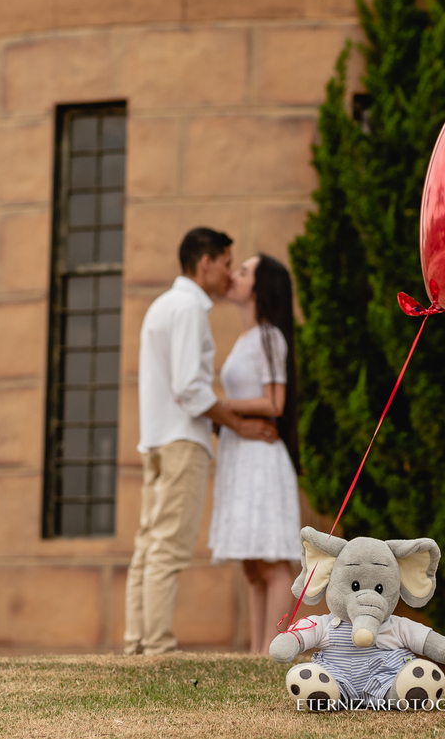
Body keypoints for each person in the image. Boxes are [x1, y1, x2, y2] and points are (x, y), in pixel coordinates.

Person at [124, 228, 278, 656]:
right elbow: (191, 388)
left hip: (157, 440)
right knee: (168, 547)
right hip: (181, 442)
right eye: (227, 263)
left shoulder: (163, 305)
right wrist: (238, 425)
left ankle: (137, 642)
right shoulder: (190, 308)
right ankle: (158, 645)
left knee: (149, 544)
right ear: (205, 262)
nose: (229, 273)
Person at [209, 253, 303, 655]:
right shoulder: (247, 337)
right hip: (241, 456)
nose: (233, 275)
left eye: (243, 271)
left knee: (271, 562)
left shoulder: (269, 337)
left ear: (261, 287)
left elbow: (274, 403)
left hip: (261, 458)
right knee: (251, 565)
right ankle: (255, 653)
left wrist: (219, 406)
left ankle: (271, 653)